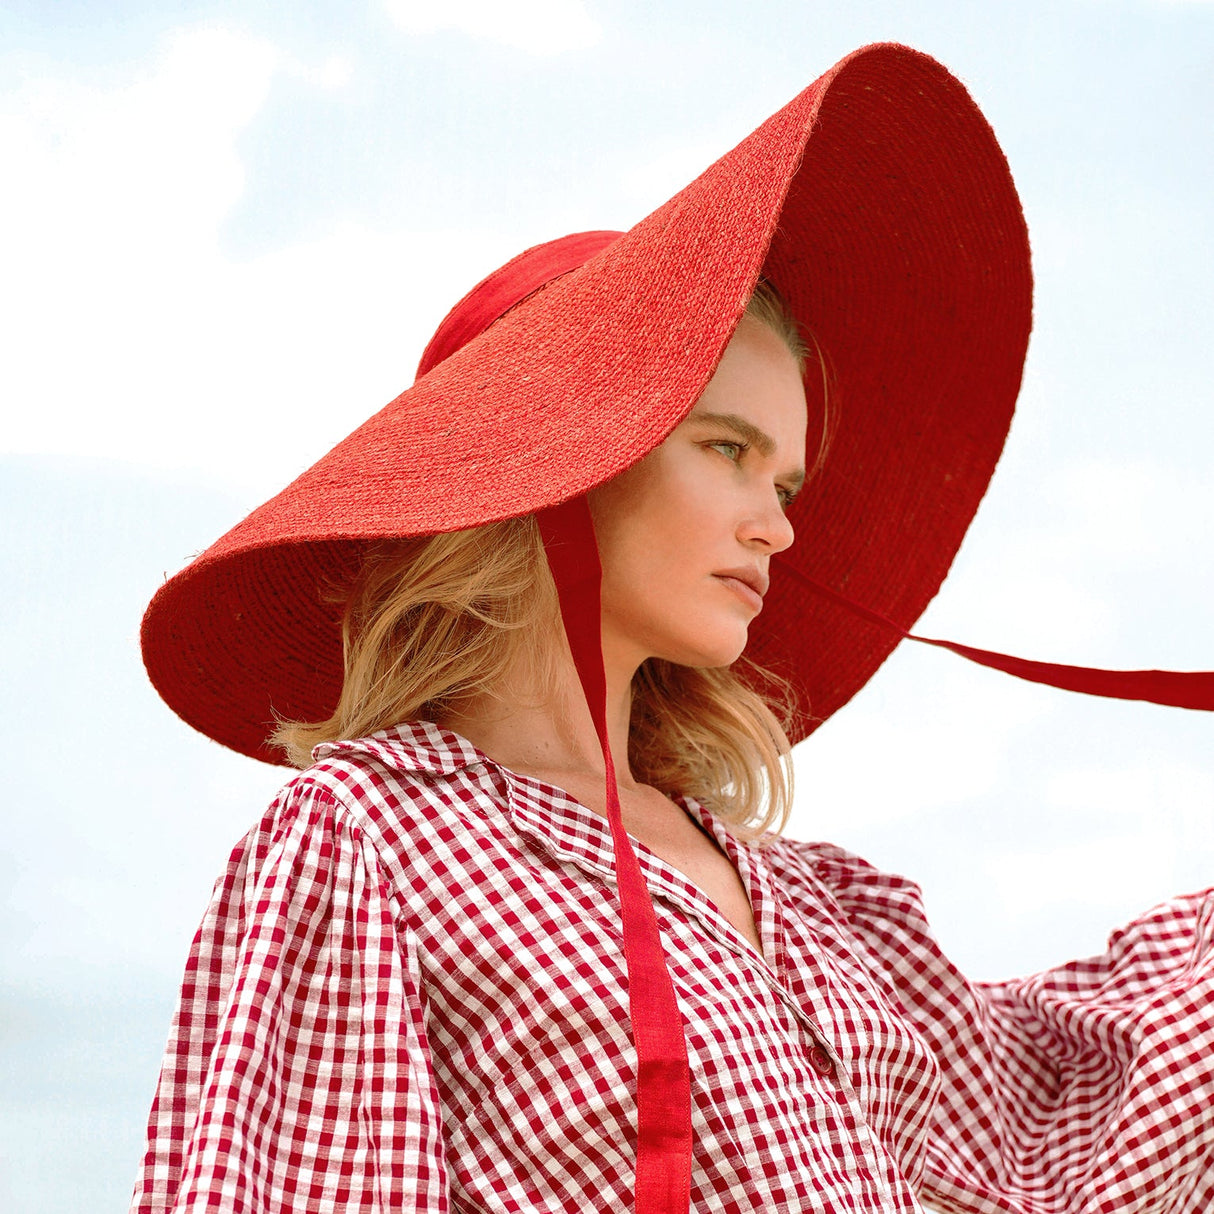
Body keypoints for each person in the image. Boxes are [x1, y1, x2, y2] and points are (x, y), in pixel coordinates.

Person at [131, 43, 1214, 1214]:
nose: (776, 529)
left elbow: (1085, 1106)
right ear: (564, 463)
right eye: (727, 450)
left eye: (786, 484)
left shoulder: (823, 908)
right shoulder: (372, 843)